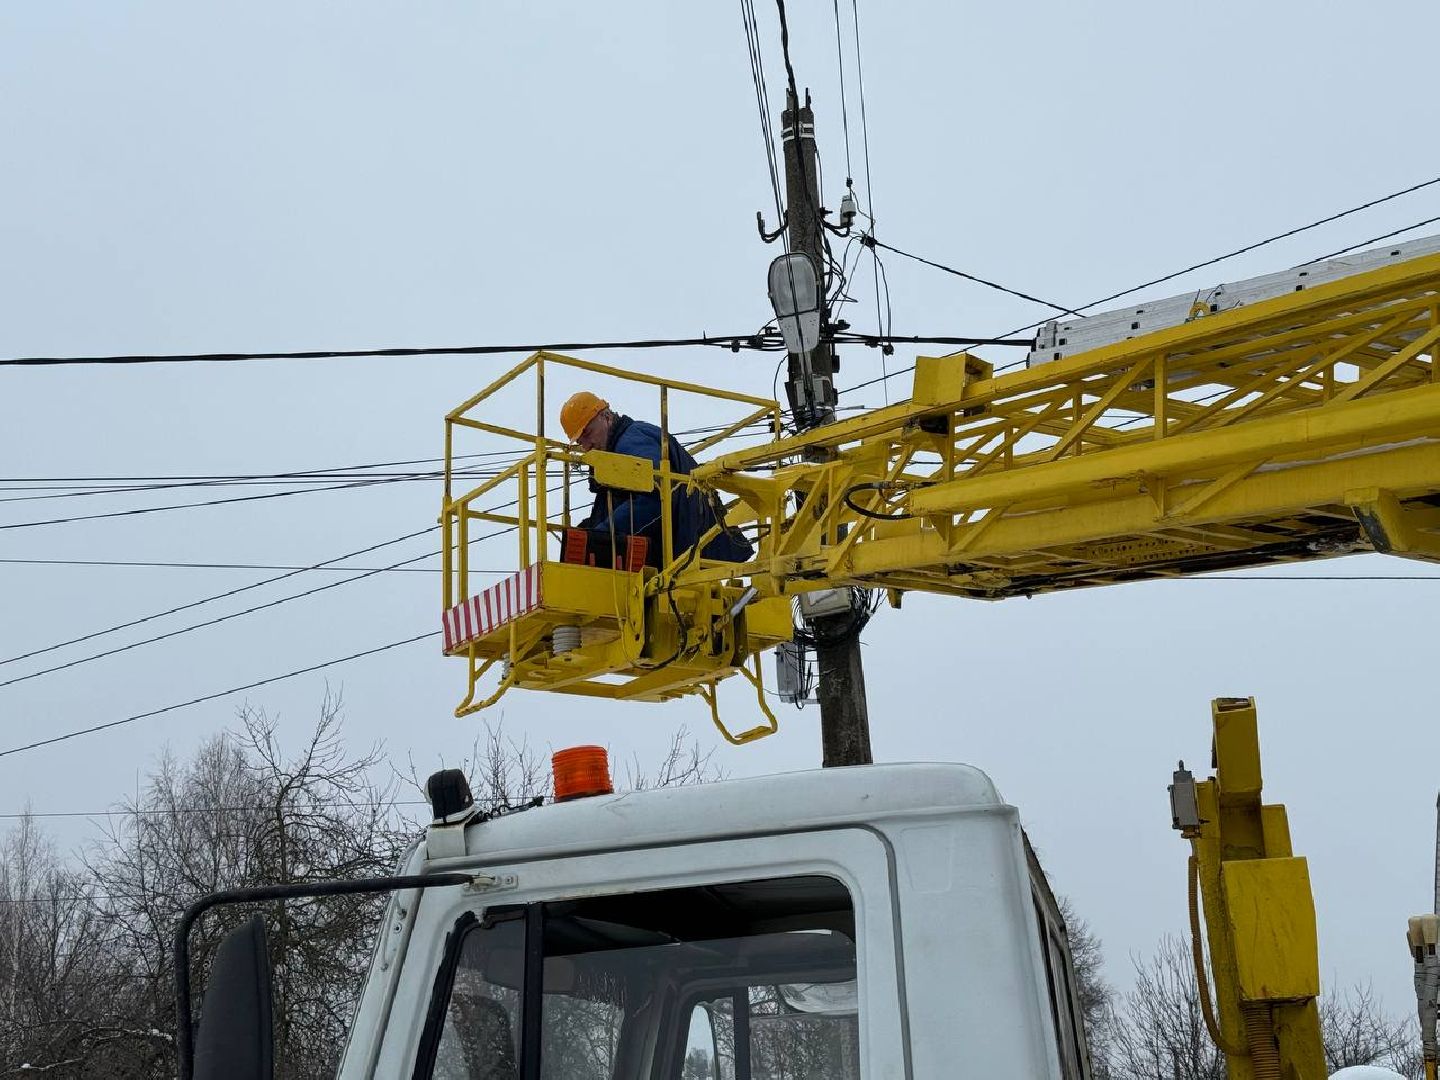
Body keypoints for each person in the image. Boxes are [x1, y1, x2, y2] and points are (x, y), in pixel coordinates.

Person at [559, 391, 753, 564]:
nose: (586, 446)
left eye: (588, 433)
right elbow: (620, 502)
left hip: (692, 542)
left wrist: (600, 534)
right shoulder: (620, 448)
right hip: (692, 539)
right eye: (579, 440)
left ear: (607, 417)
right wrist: (588, 530)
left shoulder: (630, 442)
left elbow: (655, 497)